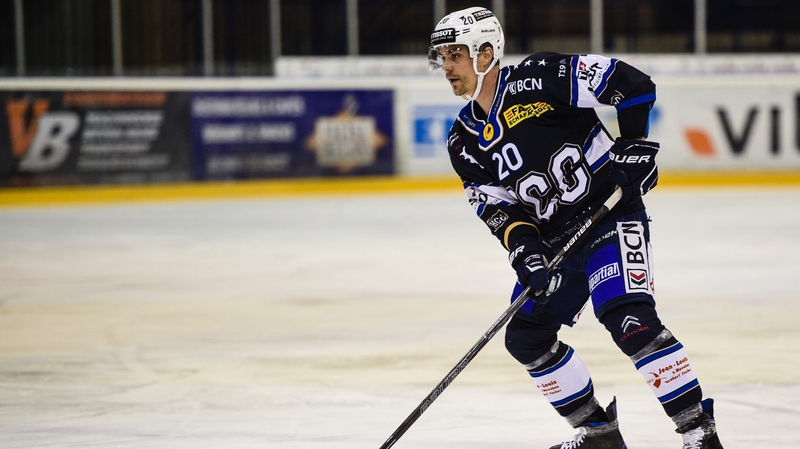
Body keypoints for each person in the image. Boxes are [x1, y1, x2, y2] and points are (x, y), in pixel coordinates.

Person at [428, 7, 723, 449]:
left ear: (485, 52)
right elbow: (499, 209)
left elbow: (632, 85)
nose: (446, 66)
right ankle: (599, 434)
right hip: (557, 240)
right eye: (442, 57)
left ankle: (700, 435)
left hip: (611, 214)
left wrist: (635, 146)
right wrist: (524, 250)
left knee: (629, 319)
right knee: (527, 338)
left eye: (454, 54)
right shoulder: (462, 141)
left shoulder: (540, 75)